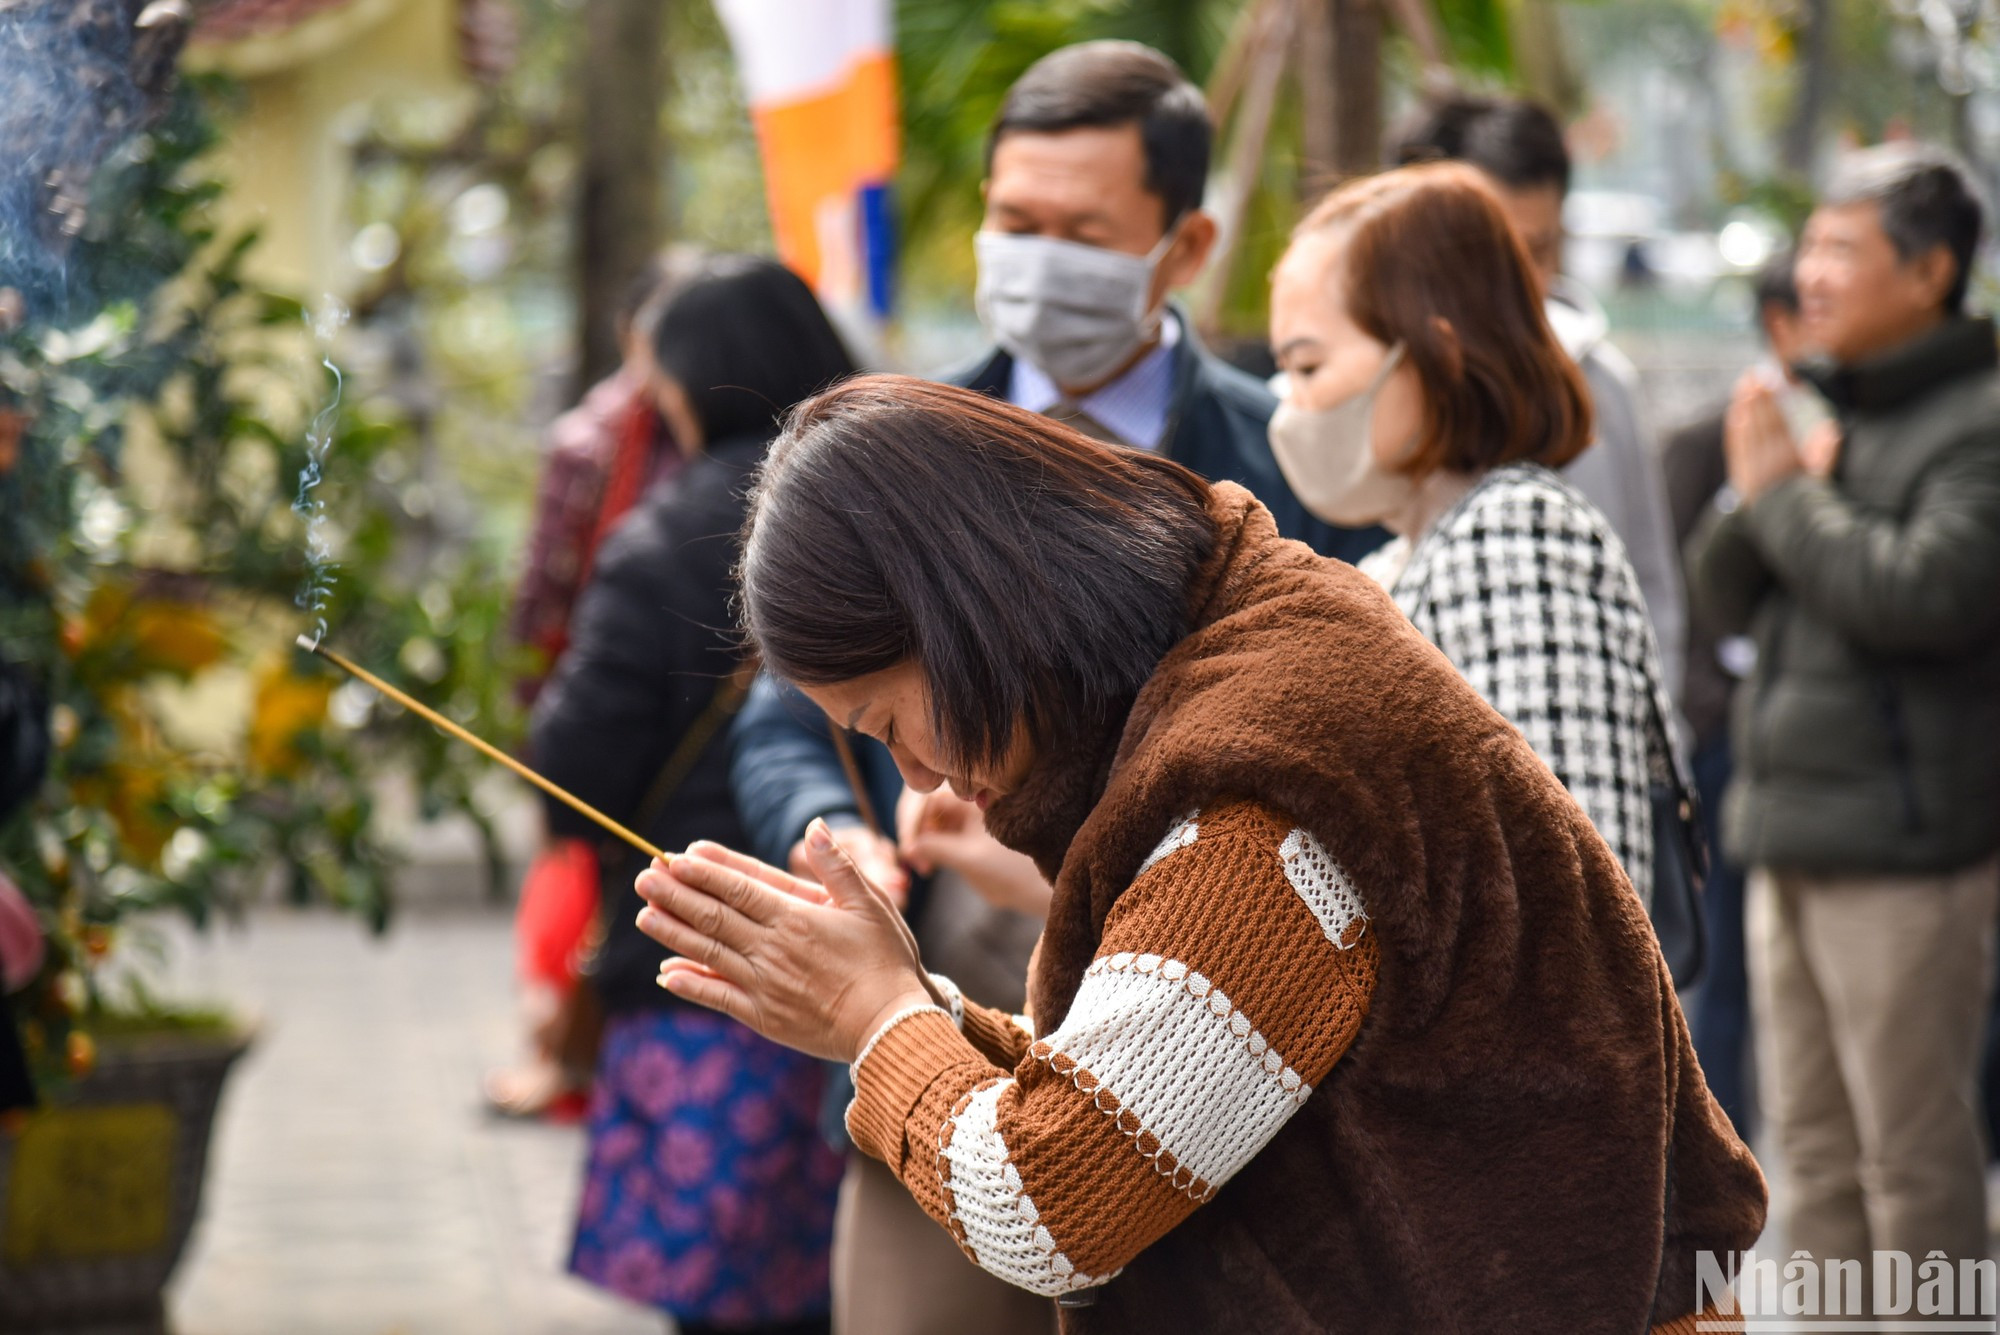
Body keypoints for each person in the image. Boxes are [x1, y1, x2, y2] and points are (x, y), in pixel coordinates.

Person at [630, 373, 1765, 1331]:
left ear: (962, 616)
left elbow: (1050, 1206)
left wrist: (878, 1024)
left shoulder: (1262, 792)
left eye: (885, 724)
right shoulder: (1246, 649)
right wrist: (905, 1005)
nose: (917, 776)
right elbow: (1182, 1072)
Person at [728, 42, 1381, 1335]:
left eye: (1081, 232)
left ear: (1184, 245)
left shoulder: (1290, 459)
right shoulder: (894, 437)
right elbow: (785, 718)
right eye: (1013, 223)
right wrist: (844, 827)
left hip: (1223, 1017)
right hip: (948, 991)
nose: (1036, 258)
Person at [1688, 143, 2000, 1282]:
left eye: (1838, 249)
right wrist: (1764, 494)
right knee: (1805, 1152)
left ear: (1928, 273)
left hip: (1906, 855)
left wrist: (1783, 497)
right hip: (1791, 835)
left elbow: (1921, 594)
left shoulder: (1976, 421)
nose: (1806, 273)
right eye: (1807, 245)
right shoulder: (1846, 412)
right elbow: (1722, 592)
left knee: (1909, 1158)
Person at [530, 254, 856, 1335]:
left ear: (689, 380)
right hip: (898, 951)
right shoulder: (889, 506)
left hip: (704, 962)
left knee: (725, 1299)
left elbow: (570, 773)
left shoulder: (666, 537)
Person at [1268, 162, 1672, 908]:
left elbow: (1574, 895)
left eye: (1308, 364)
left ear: (1436, 352)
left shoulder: (1518, 536)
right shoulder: (1405, 554)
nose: (1288, 404)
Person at [1391, 94, 1688, 702]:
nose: (1522, 282)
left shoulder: (1599, 385)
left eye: (1543, 249)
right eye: (1496, 251)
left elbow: (1651, 588)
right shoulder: (1374, 396)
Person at [488, 252, 692, 1122]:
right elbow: (544, 598)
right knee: (582, 893)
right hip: (609, 692)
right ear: (632, 335)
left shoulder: (698, 429)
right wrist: (546, 725)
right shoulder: (593, 438)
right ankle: (562, 1047)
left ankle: (578, 1050)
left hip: (665, 698)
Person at [1661, 250, 1815, 1142]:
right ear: (1780, 323)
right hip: (1725, 733)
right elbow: (1681, 588)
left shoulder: (1859, 437)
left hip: (1814, 739)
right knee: (1719, 953)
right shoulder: (1702, 439)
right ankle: (1721, 1148)